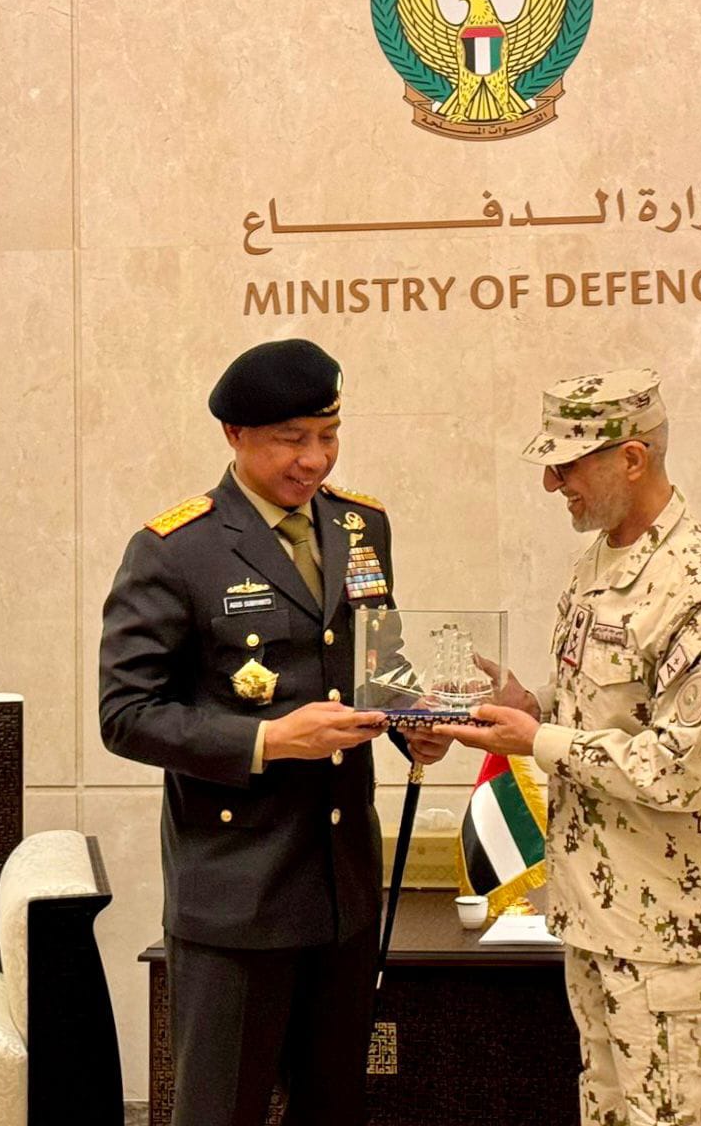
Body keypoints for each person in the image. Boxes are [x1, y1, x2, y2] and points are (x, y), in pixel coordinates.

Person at [99, 338, 449, 1126]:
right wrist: (266, 741)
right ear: (235, 435)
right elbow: (125, 715)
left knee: (334, 1108)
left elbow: (376, 658)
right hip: (237, 891)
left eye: (328, 435)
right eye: (291, 439)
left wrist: (411, 724)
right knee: (221, 1111)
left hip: (342, 885)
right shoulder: (176, 550)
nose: (314, 459)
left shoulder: (360, 525)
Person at [437, 369, 701, 1126]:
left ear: (631, 459)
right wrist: (530, 707)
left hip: (674, 936)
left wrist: (538, 739)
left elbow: (684, 768)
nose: (551, 483)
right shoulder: (596, 567)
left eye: (567, 464)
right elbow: (611, 713)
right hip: (596, 914)